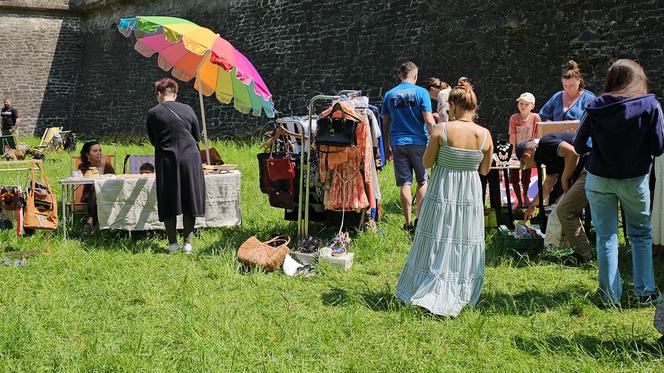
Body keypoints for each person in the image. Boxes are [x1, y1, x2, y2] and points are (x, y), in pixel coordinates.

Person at [396, 83, 493, 317]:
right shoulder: (485, 135)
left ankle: (427, 281)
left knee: (437, 235)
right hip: (469, 194)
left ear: (453, 105)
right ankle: (462, 287)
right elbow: (485, 170)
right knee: (464, 238)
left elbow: (427, 163)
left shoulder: (442, 130)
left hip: (443, 190)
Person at [574, 59, 664, 306]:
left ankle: (608, 296)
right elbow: (658, 146)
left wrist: (596, 153)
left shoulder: (594, 107)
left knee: (606, 236)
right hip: (634, 179)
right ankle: (645, 292)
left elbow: (578, 145)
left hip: (600, 177)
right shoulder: (650, 105)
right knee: (641, 234)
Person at [146, 78, 205, 254]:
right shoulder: (188, 109)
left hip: (167, 159)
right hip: (190, 158)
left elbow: (152, 139)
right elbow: (196, 136)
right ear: (175, 94)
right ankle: (188, 243)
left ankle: (172, 244)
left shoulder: (153, 113)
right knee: (190, 197)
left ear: (159, 94)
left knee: (168, 198)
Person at [516, 132, 593, 263]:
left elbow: (573, 153)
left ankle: (584, 256)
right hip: (586, 172)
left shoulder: (545, 143)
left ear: (526, 155)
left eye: (525, 163)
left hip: (590, 169)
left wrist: (565, 178)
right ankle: (579, 251)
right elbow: (548, 184)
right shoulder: (545, 156)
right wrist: (532, 205)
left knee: (565, 210)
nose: (529, 166)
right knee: (562, 208)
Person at [382, 61, 437, 232]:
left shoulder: (389, 95)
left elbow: (385, 122)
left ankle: (407, 223)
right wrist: (437, 139)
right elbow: (428, 119)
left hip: (398, 143)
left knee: (404, 183)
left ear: (400, 75)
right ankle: (419, 220)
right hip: (420, 142)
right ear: (415, 75)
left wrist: (386, 144)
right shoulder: (421, 92)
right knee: (422, 180)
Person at [508, 93, 541, 208]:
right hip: (516, 150)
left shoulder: (535, 117)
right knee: (514, 176)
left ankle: (525, 196)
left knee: (526, 176)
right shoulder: (514, 118)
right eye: (521, 103)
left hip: (529, 151)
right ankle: (518, 200)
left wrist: (532, 151)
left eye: (526, 104)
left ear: (532, 106)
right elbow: (512, 136)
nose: (523, 106)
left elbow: (538, 136)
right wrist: (512, 153)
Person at [78, 140, 115, 235]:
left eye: (100, 150)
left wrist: (102, 166)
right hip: (89, 195)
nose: (99, 153)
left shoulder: (107, 165)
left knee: (97, 191)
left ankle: (90, 221)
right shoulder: (83, 166)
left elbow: (114, 182)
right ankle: (95, 222)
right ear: (87, 155)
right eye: (95, 151)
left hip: (107, 195)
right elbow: (90, 182)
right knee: (94, 190)